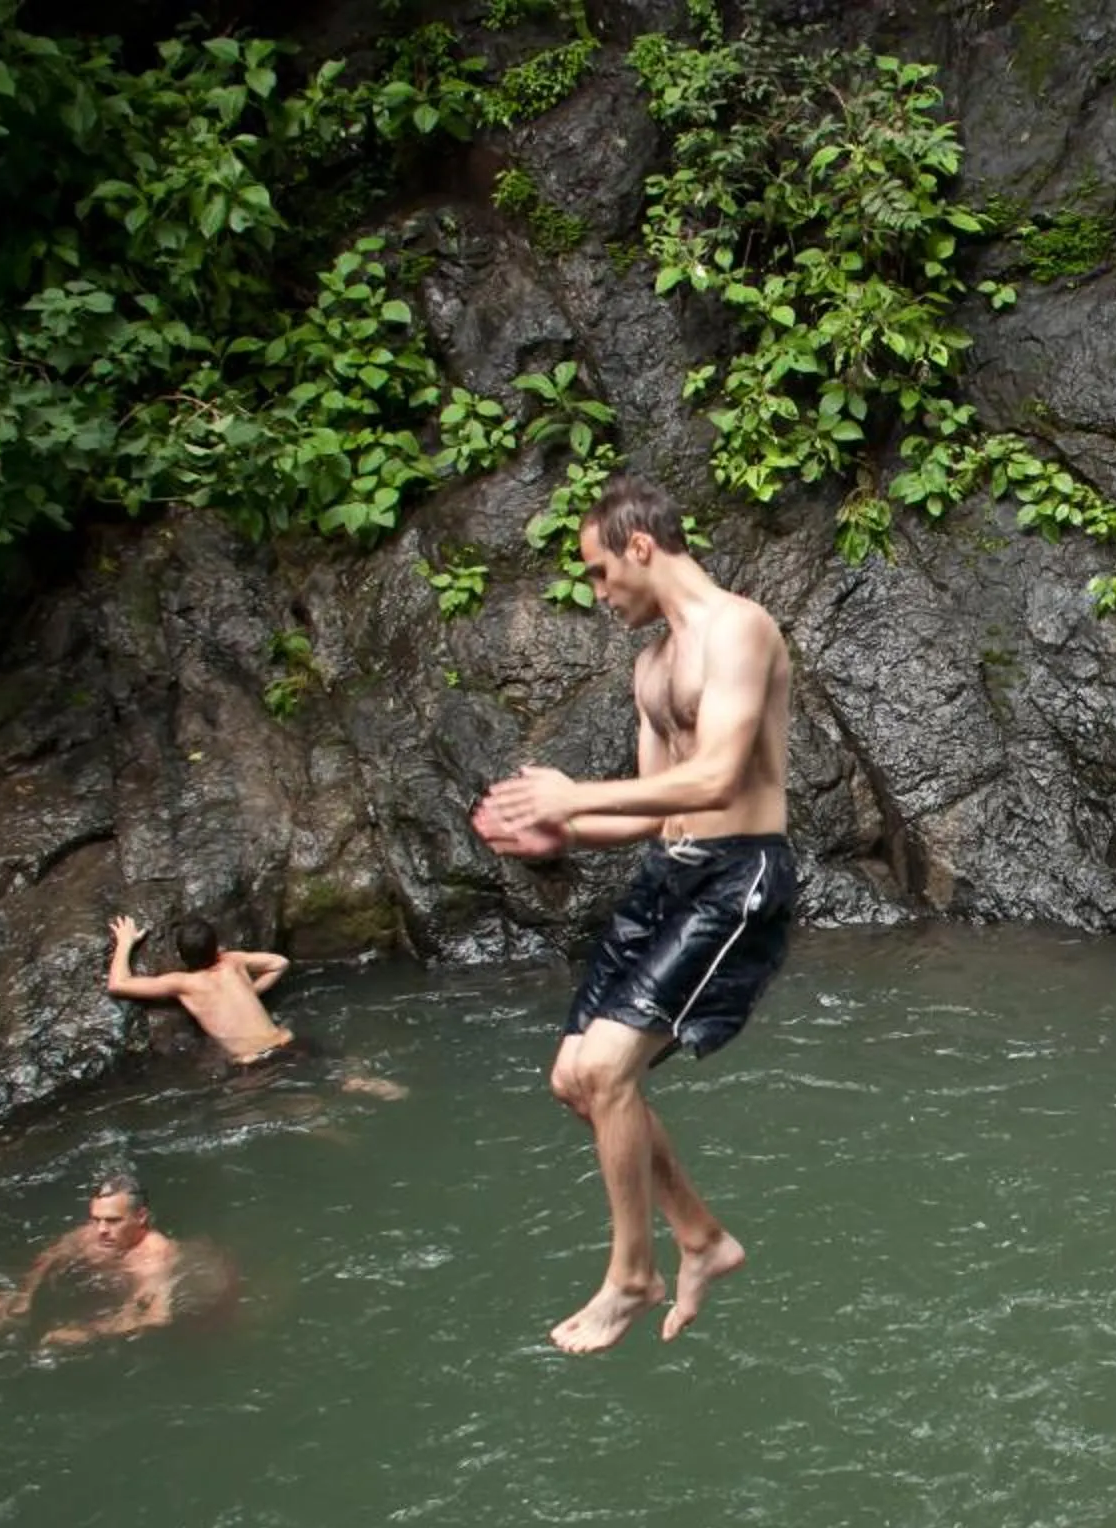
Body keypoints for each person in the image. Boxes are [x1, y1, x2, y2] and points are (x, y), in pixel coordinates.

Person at [473, 473, 797, 1353]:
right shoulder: (651, 666)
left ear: (640, 546)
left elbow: (720, 776)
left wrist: (572, 795)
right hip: (670, 872)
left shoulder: (741, 629)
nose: (596, 590)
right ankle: (701, 1238)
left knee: (610, 1067)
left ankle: (632, 1274)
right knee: (575, 1078)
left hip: (740, 878)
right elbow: (659, 808)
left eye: (598, 570)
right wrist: (567, 831)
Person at [103, 915, 404, 1097]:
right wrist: (252, 989)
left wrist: (125, 943)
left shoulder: (183, 983)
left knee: (292, 1106)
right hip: (289, 1042)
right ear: (217, 948)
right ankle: (363, 1083)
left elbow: (117, 984)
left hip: (253, 1063)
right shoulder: (233, 962)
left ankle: (332, 1131)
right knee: (344, 1069)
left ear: (183, 957)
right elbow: (280, 963)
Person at [0, 1174, 208, 1346]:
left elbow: (157, 1318)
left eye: (113, 1220)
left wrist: (89, 1334)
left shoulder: (155, 1257)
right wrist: (24, 1298)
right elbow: (51, 1258)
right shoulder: (91, 1233)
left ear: (141, 1217)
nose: (101, 1230)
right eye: (96, 1219)